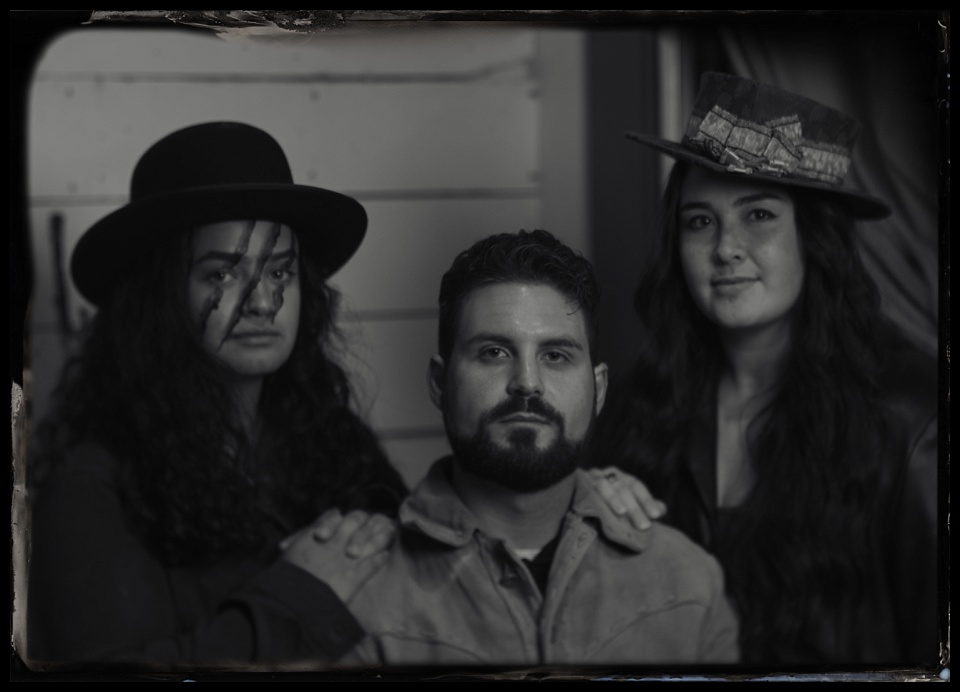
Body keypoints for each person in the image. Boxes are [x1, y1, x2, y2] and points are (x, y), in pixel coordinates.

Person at [26, 122, 410, 668]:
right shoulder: (91, 491)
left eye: (281, 271)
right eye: (223, 274)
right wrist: (299, 593)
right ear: (160, 297)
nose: (262, 303)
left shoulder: (335, 442)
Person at [589, 72, 939, 666]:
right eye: (699, 220)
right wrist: (579, 509)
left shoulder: (914, 420)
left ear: (816, 238)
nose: (725, 247)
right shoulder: (634, 405)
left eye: (758, 216)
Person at [337, 230, 739, 666]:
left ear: (599, 389)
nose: (526, 382)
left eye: (555, 356)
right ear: (439, 383)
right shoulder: (355, 594)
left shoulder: (689, 584)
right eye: (493, 352)